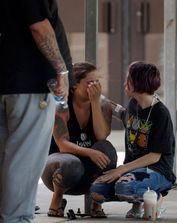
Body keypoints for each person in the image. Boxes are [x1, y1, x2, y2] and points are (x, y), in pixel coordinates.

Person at [0, 0, 73, 222]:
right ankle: (16, 218)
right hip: (29, 83)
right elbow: (39, 27)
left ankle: (10, 216)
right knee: (24, 161)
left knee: (8, 158)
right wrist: (62, 70)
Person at [89, 61, 176, 219]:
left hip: (157, 170)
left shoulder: (160, 113)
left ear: (138, 82)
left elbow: (154, 156)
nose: (125, 83)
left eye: (128, 79)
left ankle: (155, 198)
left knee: (125, 187)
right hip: (133, 170)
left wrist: (121, 169)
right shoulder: (133, 104)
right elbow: (124, 114)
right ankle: (138, 204)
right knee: (96, 190)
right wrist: (101, 100)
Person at [41, 62, 124, 218]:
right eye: (90, 83)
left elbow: (101, 136)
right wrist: (90, 152)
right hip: (59, 171)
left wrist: (95, 103)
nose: (95, 86)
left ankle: (97, 201)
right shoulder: (61, 105)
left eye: (97, 81)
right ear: (74, 85)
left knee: (107, 148)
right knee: (70, 163)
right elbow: (63, 145)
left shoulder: (101, 103)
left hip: (89, 175)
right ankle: (57, 200)